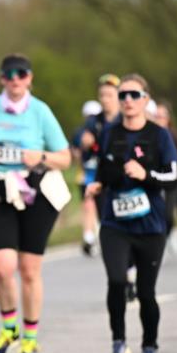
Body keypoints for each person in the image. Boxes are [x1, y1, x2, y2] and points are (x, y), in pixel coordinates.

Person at [0, 54, 72, 353]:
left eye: (21, 74)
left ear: (30, 78)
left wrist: (40, 156)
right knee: (2, 267)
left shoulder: (40, 111)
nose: (15, 80)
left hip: (35, 194)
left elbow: (65, 157)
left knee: (29, 270)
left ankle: (29, 339)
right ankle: (8, 327)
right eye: (9, 75)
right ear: (1, 78)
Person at [85, 74, 177, 353]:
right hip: (116, 223)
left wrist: (146, 175)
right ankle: (118, 342)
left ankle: (150, 347)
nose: (127, 100)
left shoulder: (159, 135)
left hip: (150, 225)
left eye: (133, 95)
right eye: (122, 95)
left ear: (145, 99)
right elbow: (102, 170)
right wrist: (96, 185)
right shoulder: (110, 134)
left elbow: (173, 176)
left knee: (146, 292)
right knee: (116, 281)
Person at [75, 74, 122, 256]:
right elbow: (83, 142)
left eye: (110, 95)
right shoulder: (94, 121)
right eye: (102, 95)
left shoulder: (126, 118)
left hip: (124, 177)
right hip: (102, 177)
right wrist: (85, 142)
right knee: (106, 218)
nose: (105, 99)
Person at [152, 101, 177, 254]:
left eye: (162, 116)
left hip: (171, 179)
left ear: (168, 118)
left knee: (168, 213)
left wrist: (169, 160)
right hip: (153, 179)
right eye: (157, 116)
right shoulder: (149, 134)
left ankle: (168, 234)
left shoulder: (173, 134)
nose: (160, 119)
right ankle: (158, 241)